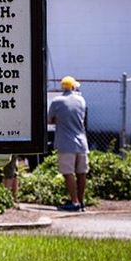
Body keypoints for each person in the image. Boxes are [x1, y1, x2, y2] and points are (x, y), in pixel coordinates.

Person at [48, 76, 89, 211]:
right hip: (82, 142)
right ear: (73, 87)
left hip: (65, 142)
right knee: (81, 173)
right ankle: (82, 201)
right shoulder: (81, 101)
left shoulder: (57, 101)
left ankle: (74, 201)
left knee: (68, 173)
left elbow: (50, 120)